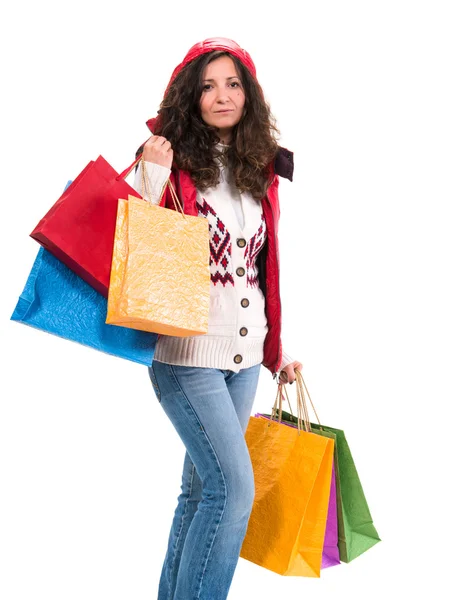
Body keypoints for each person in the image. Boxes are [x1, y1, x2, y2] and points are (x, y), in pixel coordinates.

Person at [131, 37, 303, 600]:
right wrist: (152, 176)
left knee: (202, 491)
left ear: (248, 94)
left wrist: (277, 351)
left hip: (246, 359)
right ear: (191, 96)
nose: (222, 95)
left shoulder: (259, 168)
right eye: (208, 86)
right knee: (233, 492)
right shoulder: (167, 158)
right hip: (186, 354)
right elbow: (131, 242)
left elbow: (263, 268)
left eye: (233, 84)